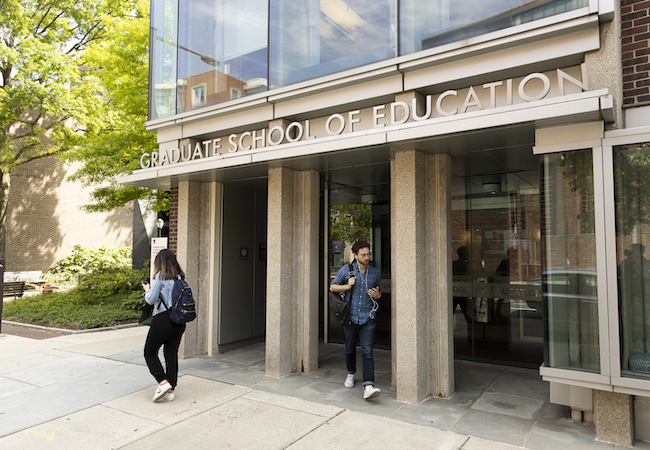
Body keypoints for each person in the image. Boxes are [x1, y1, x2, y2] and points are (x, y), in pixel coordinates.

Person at [330, 240, 382, 399]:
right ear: (355, 255)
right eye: (363, 255)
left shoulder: (375, 273)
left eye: (368, 254)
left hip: (368, 317)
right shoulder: (347, 270)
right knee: (349, 348)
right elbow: (332, 287)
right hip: (351, 317)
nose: (367, 257)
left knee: (367, 351)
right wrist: (347, 286)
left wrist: (378, 295)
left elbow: (379, 294)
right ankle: (351, 373)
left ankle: (369, 385)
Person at [141, 249, 187, 402]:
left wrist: (146, 290)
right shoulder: (181, 277)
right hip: (179, 321)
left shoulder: (161, 276)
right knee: (171, 354)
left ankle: (163, 382)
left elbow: (151, 299)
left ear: (159, 262)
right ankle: (171, 390)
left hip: (163, 320)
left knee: (149, 352)